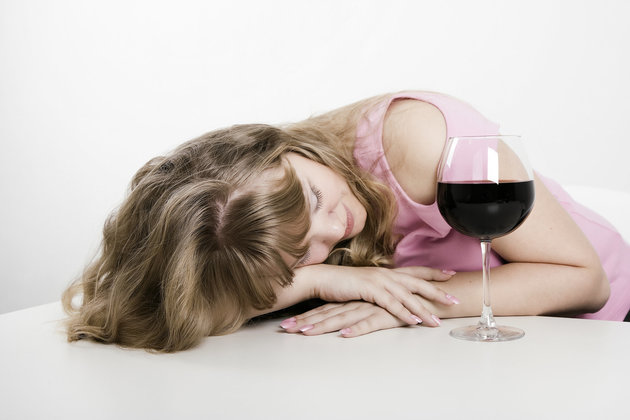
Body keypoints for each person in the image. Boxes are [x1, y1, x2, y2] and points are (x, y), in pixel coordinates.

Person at [62, 90, 630, 352]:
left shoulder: (419, 140)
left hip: (603, 327)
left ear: (279, 146)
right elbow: (183, 308)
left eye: (311, 198)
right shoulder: (263, 234)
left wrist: (399, 301)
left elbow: (584, 279)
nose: (334, 231)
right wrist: (319, 278)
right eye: (300, 251)